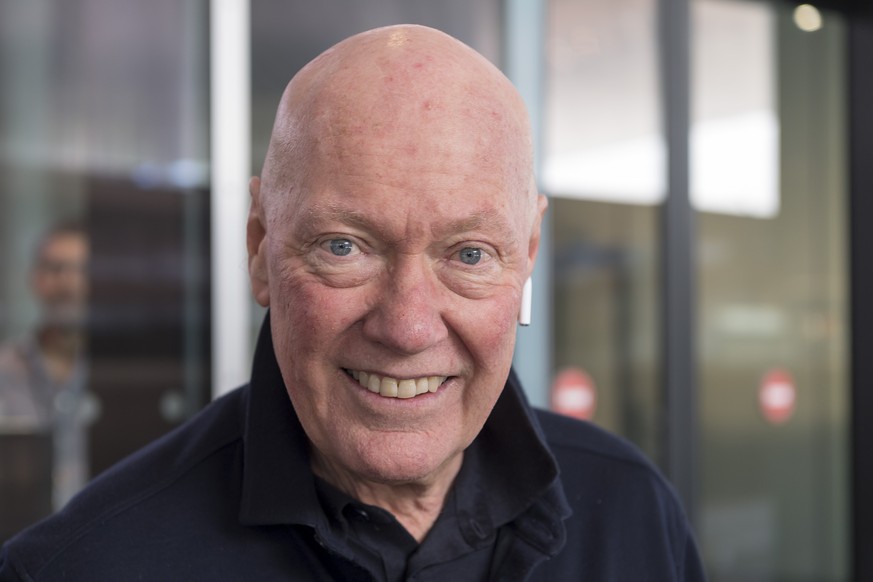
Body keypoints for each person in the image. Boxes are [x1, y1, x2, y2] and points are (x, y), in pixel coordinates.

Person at [0, 25, 705, 581]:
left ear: (526, 257)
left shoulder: (633, 513)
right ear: (259, 248)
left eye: (467, 254)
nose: (405, 326)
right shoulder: (85, 566)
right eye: (344, 247)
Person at [0, 221, 95, 522]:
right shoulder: (4, 372)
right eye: (56, 269)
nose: (68, 283)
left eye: (82, 270)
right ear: (35, 279)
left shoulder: (120, 379)